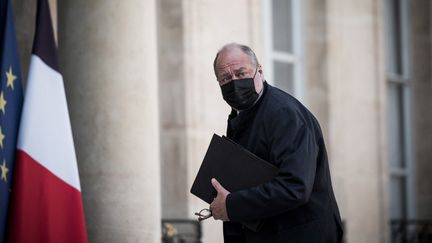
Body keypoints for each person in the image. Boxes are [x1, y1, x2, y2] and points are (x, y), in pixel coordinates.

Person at [209, 43, 344, 243]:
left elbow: (295, 186)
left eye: (241, 73)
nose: (234, 83)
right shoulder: (244, 114)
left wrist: (232, 205)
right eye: (226, 78)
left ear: (260, 72)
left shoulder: (284, 114)